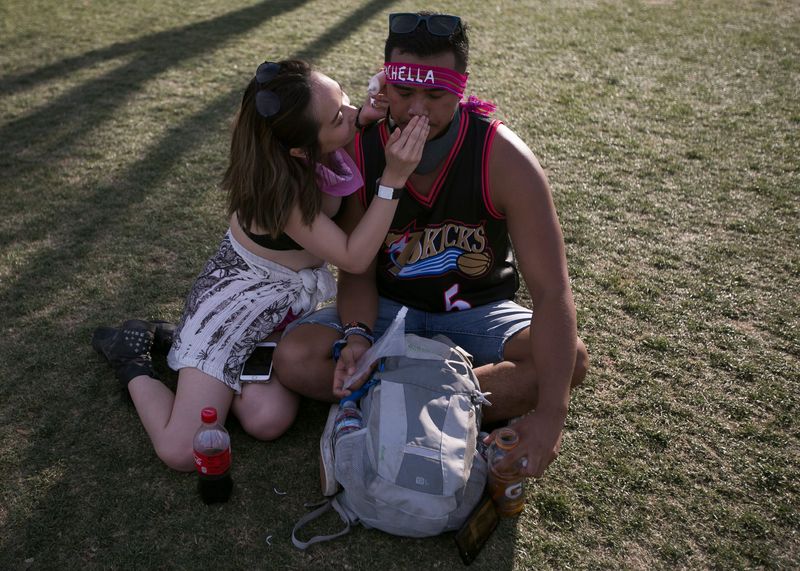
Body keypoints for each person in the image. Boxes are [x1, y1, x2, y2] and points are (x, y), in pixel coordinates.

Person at [275, 13, 589, 482]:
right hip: (388, 306)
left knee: (570, 363)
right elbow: (357, 270)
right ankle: (441, 404)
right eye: (404, 93)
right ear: (385, 83)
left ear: (460, 88)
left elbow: (551, 291)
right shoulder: (361, 147)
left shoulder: (503, 156)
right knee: (295, 358)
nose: (418, 109)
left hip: (476, 310)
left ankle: (384, 402)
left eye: (436, 94)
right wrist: (358, 334)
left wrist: (551, 418)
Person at [91, 59, 429, 471]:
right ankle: (133, 355)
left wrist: (358, 119)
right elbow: (354, 257)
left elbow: (343, 122)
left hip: (279, 312)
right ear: (300, 149)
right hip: (233, 308)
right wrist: (393, 178)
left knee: (268, 419)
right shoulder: (280, 195)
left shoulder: (290, 145)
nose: (355, 114)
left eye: (343, 100)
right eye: (340, 116)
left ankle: (185, 348)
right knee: (182, 451)